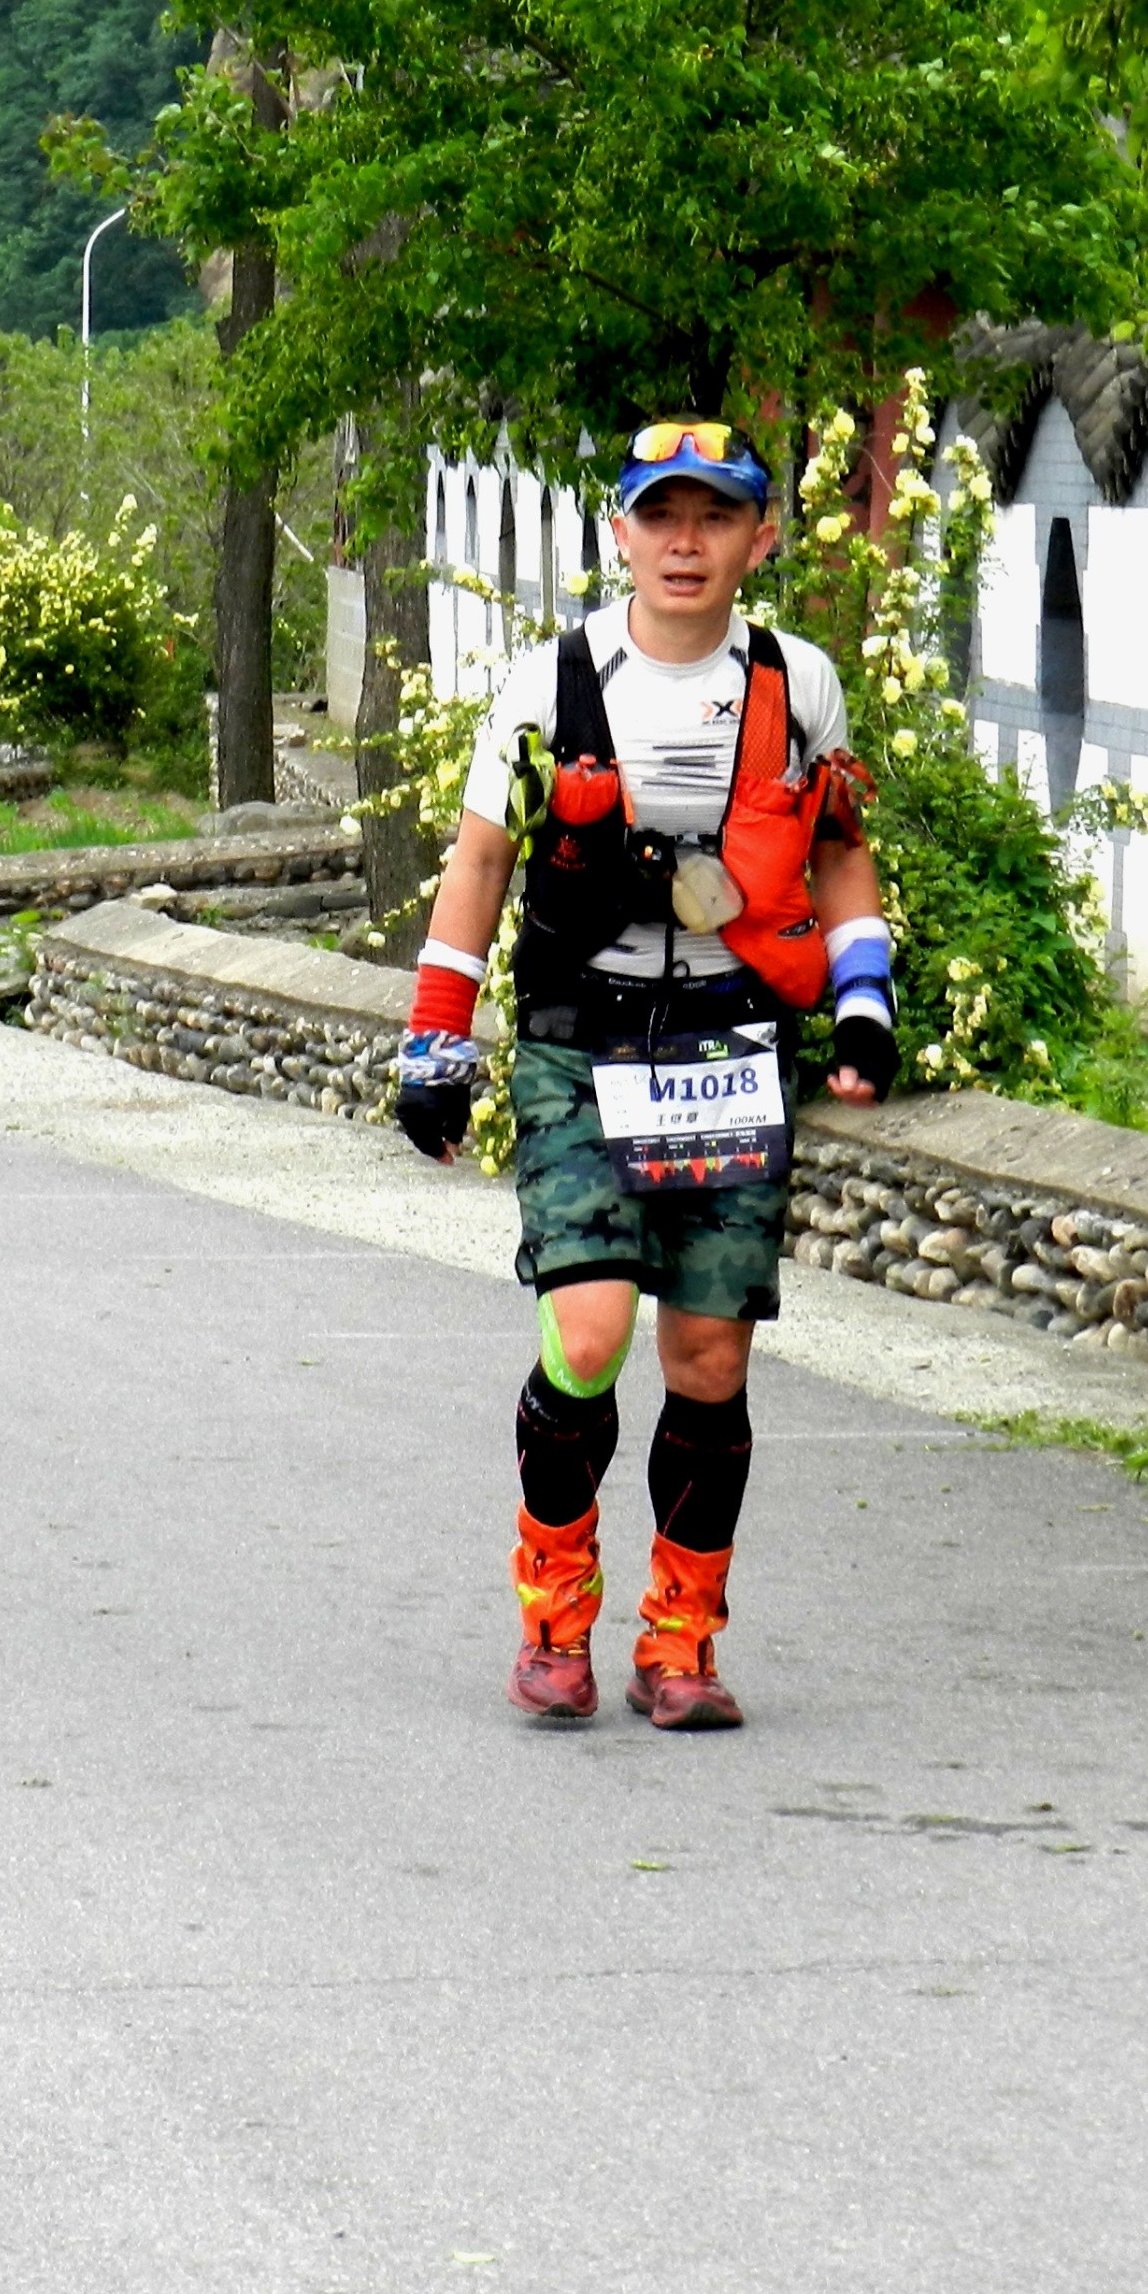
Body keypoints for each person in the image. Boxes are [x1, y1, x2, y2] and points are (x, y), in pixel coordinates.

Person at [395, 420, 898, 1730]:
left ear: (756, 538)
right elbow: (478, 864)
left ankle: (679, 1643)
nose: (685, 544)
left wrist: (862, 1002)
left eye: (714, 518)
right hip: (580, 1036)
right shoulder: (545, 684)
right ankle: (553, 1617)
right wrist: (435, 1045)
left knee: (708, 1358)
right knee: (587, 1332)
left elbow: (836, 850)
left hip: (732, 1041)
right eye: (659, 516)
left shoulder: (803, 683)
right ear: (617, 531)